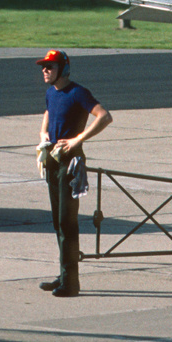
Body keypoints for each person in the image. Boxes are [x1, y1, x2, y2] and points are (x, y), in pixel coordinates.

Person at [36, 49, 112, 298]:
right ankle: (64, 275)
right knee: (58, 222)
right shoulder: (51, 92)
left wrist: (78, 139)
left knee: (67, 223)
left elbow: (104, 116)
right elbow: (49, 111)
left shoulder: (78, 92)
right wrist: (43, 133)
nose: (45, 70)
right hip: (53, 161)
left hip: (70, 163)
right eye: (44, 67)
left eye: (50, 67)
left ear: (63, 69)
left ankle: (71, 283)